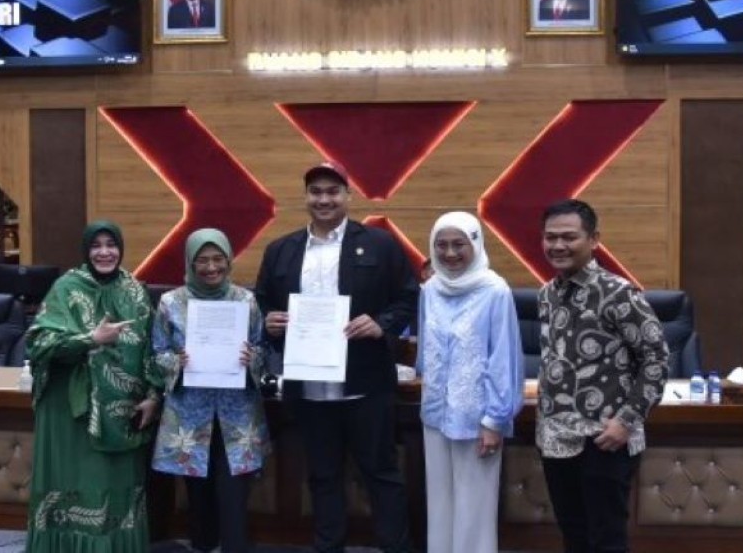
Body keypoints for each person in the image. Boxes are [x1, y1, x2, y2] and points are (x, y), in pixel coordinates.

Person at [255, 160, 418, 553]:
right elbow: (262, 305)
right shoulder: (281, 250)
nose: (324, 199)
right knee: (322, 477)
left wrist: (382, 324)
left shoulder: (379, 244)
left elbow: (409, 297)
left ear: (348, 196)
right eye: (316, 192)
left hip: (365, 386)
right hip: (308, 389)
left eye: (332, 192)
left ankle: (395, 547)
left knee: (381, 474)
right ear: (306, 197)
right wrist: (270, 323)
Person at [536, 199, 668, 553]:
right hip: (556, 438)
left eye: (569, 237)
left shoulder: (619, 293)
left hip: (604, 438)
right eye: (550, 237)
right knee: (573, 533)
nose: (558, 246)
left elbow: (656, 359)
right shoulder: (547, 293)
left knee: (606, 538)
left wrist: (627, 421)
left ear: (594, 239)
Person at [24, 220, 164, 553]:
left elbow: (152, 348)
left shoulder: (134, 290)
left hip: (123, 411)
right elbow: (38, 344)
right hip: (72, 412)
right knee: (77, 484)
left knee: (115, 488)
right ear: (86, 251)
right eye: (96, 245)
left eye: (111, 244)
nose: (104, 252)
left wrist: (153, 395)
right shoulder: (66, 288)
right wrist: (90, 339)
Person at [151, 228, 270, 553]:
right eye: (201, 260)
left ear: (229, 260)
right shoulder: (170, 302)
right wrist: (176, 360)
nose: (211, 267)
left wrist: (252, 358)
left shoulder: (245, 300)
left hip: (236, 415)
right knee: (199, 501)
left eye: (218, 259)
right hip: (191, 415)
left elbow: (262, 347)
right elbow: (157, 353)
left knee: (233, 502)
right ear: (190, 262)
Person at [415, 212, 523, 553]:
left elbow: (504, 359)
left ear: (475, 244)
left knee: (474, 508)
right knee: (440, 503)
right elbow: (424, 348)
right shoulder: (430, 289)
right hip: (434, 415)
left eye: (458, 244)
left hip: (478, 419)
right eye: (441, 245)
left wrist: (495, 420)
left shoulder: (495, 291)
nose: (449, 253)